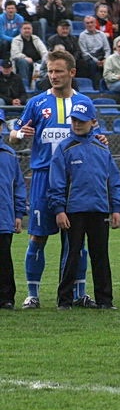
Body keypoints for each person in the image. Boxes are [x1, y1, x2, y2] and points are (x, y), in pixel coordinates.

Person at [12, 50, 95, 309]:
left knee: (76, 239)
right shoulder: (37, 103)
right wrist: (19, 134)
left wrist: (100, 138)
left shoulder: (83, 102)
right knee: (37, 236)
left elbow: (96, 134)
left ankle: (79, 293)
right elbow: (14, 135)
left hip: (76, 181)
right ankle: (32, 295)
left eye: (58, 71)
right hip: (43, 178)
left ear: (72, 73)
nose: (53, 76)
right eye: (49, 71)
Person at [49, 99, 120, 310]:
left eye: (81, 120)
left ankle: (105, 301)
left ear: (93, 121)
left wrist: (116, 208)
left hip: (100, 210)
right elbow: (56, 182)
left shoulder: (102, 147)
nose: (77, 124)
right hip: (73, 211)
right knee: (71, 256)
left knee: (101, 256)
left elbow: (114, 180)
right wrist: (59, 209)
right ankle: (64, 300)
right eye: (73, 120)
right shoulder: (65, 148)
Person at [0, 108, 26, 311]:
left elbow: (18, 185)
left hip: (3, 217)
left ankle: (7, 298)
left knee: (4, 260)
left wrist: (18, 213)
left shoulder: (9, 155)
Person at [11, 21, 47, 87]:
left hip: (36, 62)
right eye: (25, 29)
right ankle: (25, 86)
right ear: (20, 30)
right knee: (22, 61)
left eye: (29, 28)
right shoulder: (16, 40)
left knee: (42, 62)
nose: (27, 30)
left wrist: (44, 59)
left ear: (32, 30)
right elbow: (14, 54)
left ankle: (36, 85)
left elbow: (44, 51)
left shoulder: (36, 38)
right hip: (22, 62)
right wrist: (25, 57)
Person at [78, 14, 110, 88]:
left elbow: (107, 49)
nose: (90, 24)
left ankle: (108, 86)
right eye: (87, 23)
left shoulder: (102, 34)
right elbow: (84, 52)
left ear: (95, 23)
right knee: (92, 64)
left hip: (102, 56)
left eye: (91, 22)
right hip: (90, 58)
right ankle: (96, 87)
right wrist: (97, 61)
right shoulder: (82, 35)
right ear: (84, 25)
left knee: (111, 62)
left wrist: (105, 59)